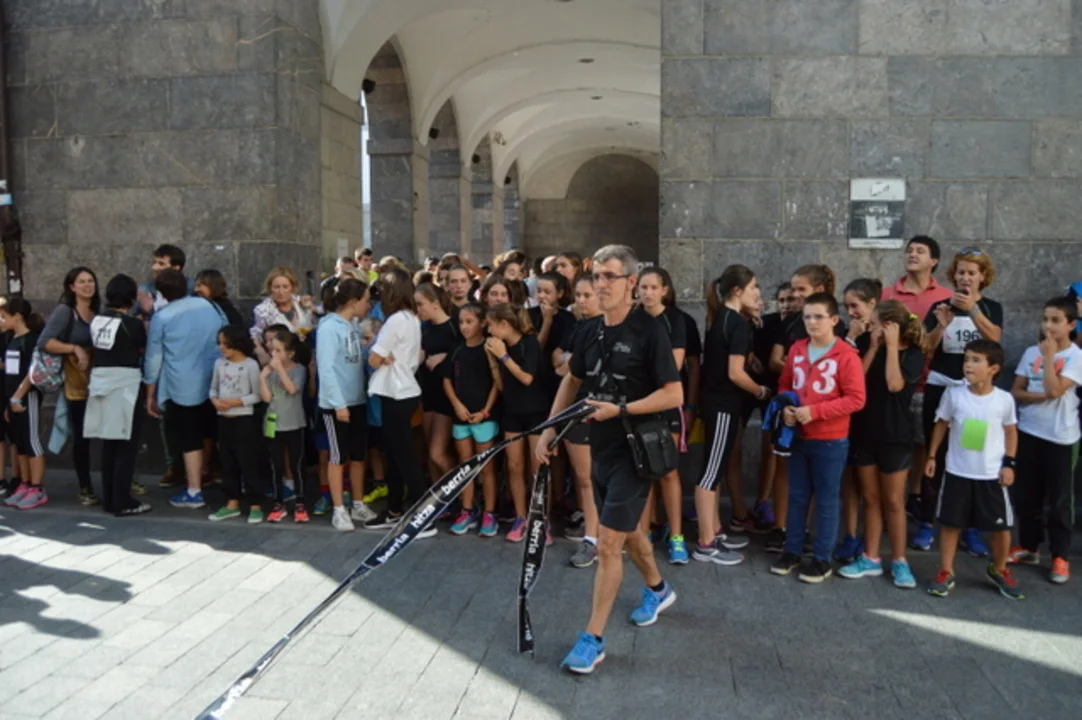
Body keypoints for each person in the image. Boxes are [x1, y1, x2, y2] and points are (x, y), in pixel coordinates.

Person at [536, 244, 682, 676]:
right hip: (602, 447)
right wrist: (550, 428)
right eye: (596, 276)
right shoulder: (588, 331)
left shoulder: (650, 331)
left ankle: (592, 639)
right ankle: (657, 589)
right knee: (629, 529)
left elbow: (674, 394)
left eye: (608, 277)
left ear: (631, 283)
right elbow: (572, 381)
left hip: (637, 451)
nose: (600, 284)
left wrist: (620, 410)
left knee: (607, 543)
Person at [770, 292, 866, 584]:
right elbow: (785, 384)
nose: (812, 322)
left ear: (834, 320)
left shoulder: (846, 355)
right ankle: (792, 550)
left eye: (818, 317)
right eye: (807, 317)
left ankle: (822, 558)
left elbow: (856, 398)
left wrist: (816, 412)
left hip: (830, 438)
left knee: (826, 498)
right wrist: (787, 407)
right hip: (799, 436)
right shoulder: (797, 349)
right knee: (797, 495)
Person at [914, 248, 1003, 555]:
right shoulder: (940, 306)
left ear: (982, 277)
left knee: (970, 452)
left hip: (975, 395)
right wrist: (941, 324)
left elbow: (995, 339)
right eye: (961, 272)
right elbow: (926, 347)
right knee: (934, 454)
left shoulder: (990, 307)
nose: (965, 278)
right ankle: (927, 522)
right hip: (941, 389)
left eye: (971, 273)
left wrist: (974, 311)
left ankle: (970, 528)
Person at [925, 339, 1022, 600]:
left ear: (993, 368)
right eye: (966, 359)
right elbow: (941, 424)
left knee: (1001, 527)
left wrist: (1009, 463)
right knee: (950, 523)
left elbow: (1011, 431)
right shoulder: (954, 394)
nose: (968, 364)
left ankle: (999, 568)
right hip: (957, 471)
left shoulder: (1003, 400)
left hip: (991, 474)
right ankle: (946, 571)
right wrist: (932, 455)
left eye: (976, 360)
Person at [839, 300, 925, 589]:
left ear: (889, 326)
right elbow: (856, 383)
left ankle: (900, 560)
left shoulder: (912, 354)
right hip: (865, 432)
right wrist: (874, 348)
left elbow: (894, 384)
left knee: (894, 501)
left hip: (895, 437)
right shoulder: (868, 345)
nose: (869, 327)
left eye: (874, 323)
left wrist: (890, 347)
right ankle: (870, 557)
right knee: (871, 498)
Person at [696, 265, 769, 565]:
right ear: (737, 291)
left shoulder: (722, 318)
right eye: (754, 287)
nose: (758, 293)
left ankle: (714, 530)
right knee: (710, 474)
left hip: (716, 403)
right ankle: (705, 543)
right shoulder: (735, 323)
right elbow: (735, 373)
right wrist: (761, 391)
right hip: (723, 405)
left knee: (713, 471)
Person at [765, 264, 840, 553]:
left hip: (825, 419)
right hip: (793, 410)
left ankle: (814, 539)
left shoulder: (835, 330)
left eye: (801, 290)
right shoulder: (793, 325)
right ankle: (782, 528)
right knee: (787, 470)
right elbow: (778, 361)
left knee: (821, 485)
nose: (795, 295)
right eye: (793, 289)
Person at [881, 236, 955, 525]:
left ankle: (917, 498)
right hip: (896, 385)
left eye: (920, 251)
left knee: (925, 445)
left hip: (930, 383)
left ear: (934, 260)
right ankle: (894, 503)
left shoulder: (946, 296)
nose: (912, 254)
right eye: (909, 250)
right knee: (897, 443)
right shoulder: (889, 294)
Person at [1009, 297, 1082, 584]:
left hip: (1060, 437)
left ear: (1071, 324)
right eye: (1045, 319)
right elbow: (1017, 390)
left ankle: (1060, 556)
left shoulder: (1076, 357)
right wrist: (1041, 396)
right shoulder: (1031, 352)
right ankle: (1029, 547)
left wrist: (1050, 358)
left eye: (1055, 321)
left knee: (1060, 500)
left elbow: (1055, 388)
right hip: (1029, 431)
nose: (1048, 326)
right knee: (1027, 496)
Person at [145, 269, 226, 509]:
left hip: (181, 384)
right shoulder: (210, 306)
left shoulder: (162, 317)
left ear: (161, 293)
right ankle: (204, 473)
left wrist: (150, 392)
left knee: (190, 437)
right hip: (213, 378)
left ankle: (194, 490)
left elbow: (153, 358)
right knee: (208, 431)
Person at [636, 267, 693, 564]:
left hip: (667, 402)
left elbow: (675, 365)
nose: (647, 293)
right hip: (639, 404)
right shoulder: (633, 318)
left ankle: (677, 537)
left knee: (669, 471)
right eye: (643, 287)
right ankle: (644, 533)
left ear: (664, 290)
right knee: (644, 471)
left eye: (653, 288)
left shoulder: (675, 320)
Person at [367, 268, 430, 532]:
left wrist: (379, 354)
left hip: (396, 392)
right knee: (394, 455)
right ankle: (394, 509)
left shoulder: (395, 321)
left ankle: (424, 515)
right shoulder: (411, 318)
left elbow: (373, 358)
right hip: (403, 391)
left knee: (404, 457)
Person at [84, 275, 150, 517]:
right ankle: (123, 500)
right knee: (126, 444)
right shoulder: (132, 324)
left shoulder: (97, 320)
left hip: (100, 382)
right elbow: (142, 347)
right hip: (125, 384)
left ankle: (109, 498)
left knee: (109, 442)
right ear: (131, 298)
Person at [486, 303, 549, 543]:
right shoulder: (499, 347)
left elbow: (526, 378)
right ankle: (521, 516)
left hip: (535, 410)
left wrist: (503, 356)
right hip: (511, 411)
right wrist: (493, 360)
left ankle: (541, 518)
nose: (489, 331)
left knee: (537, 468)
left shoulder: (529, 343)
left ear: (504, 325)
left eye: (491, 325)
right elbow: (502, 386)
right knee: (514, 466)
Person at [316, 278, 375, 532]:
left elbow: (354, 357)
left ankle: (358, 503)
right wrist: (339, 404)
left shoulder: (352, 325)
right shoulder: (329, 328)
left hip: (357, 399)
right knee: (337, 456)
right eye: (365, 300)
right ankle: (339, 509)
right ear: (352, 302)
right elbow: (326, 368)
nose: (368, 305)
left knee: (359, 455)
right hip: (336, 404)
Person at [39, 266, 101, 505]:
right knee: (81, 436)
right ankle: (85, 487)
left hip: (100, 380)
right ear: (71, 287)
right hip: (76, 382)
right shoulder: (65, 311)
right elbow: (45, 342)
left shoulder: (99, 311)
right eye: (81, 281)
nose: (87, 285)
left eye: (90, 280)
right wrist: (74, 348)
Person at [835, 278, 883, 564]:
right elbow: (839, 375)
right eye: (846, 307)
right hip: (851, 415)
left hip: (876, 413)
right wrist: (850, 339)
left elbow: (859, 378)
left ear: (872, 304)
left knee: (872, 485)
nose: (851, 312)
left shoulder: (883, 336)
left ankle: (869, 536)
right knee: (850, 479)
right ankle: (850, 534)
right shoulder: (846, 335)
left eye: (855, 306)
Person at [557, 275, 603, 568]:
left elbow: (567, 366)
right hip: (577, 410)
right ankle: (592, 538)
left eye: (588, 295)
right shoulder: (578, 328)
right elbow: (565, 370)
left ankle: (607, 536)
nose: (581, 301)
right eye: (578, 295)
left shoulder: (611, 326)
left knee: (605, 479)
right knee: (584, 478)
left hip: (606, 411)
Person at [445, 304, 502, 538]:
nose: (464, 327)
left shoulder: (489, 348)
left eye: (469, 321)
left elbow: (496, 383)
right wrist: (457, 405)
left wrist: (485, 411)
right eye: (461, 322)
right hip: (461, 417)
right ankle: (467, 510)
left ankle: (490, 512)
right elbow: (446, 380)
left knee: (486, 467)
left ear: (482, 323)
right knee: (465, 465)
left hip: (484, 417)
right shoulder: (456, 349)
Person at [742, 282, 793, 532]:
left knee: (772, 449)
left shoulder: (798, 326)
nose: (786, 305)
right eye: (782, 300)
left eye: (790, 300)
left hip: (778, 393)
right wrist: (750, 356)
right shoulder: (766, 323)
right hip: (754, 387)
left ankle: (764, 501)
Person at [207, 326, 265, 522]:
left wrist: (236, 402)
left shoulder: (251, 365)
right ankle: (232, 501)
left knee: (248, 462)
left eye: (226, 343)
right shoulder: (219, 364)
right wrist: (215, 400)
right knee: (227, 462)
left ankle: (255, 504)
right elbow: (213, 388)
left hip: (244, 420)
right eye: (220, 343)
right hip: (223, 419)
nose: (221, 347)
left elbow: (257, 395)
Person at [261, 330, 311, 523]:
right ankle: (278, 503)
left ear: (290, 353)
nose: (273, 354)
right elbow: (267, 398)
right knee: (276, 465)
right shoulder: (270, 370)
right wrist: (262, 377)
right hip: (273, 422)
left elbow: (292, 389)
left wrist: (280, 369)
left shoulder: (299, 370)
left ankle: (300, 502)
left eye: (278, 351)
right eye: (272, 350)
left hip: (294, 422)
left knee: (296, 464)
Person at [2, 299, 47, 510]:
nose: (2, 320)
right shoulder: (12, 339)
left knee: (31, 441)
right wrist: (9, 402)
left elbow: (32, 372)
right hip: (12, 400)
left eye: (5, 316)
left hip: (27, 398)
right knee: (20, 443)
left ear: (17, 316)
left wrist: (18, 396)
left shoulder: (31, 340)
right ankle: (25, 484)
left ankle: (37, 488)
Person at [415, 283, 457, 485]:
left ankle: (461, 492)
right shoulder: (425, 330)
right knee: (430, 453)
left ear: (435, 303)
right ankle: (438, 495)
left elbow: (466, 355)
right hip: (427, 395)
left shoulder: (454, 327)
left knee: (437, 453)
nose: (418, 310)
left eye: (420, 304)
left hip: (446, 398)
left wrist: (445, 357)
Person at [250, 266, 315, 365]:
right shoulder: (264, 310)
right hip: (279, 362)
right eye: (276, 287)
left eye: (285, 287)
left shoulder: (301, 303)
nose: (281, 292)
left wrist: (311, 308)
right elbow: (255, 335)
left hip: (305, 358)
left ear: (292, 287)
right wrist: (261, 353)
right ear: (270, 288)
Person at [136, 244, 194, 320]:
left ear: (176, 268)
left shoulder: (192, 286)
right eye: (154, 262)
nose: (154, 267)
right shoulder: (145, 289)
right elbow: (136, 319)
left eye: (161, 264)